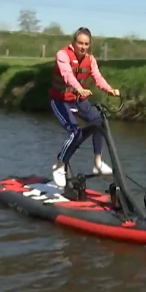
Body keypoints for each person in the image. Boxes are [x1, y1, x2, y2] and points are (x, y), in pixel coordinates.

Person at [48, 27, 120, 188]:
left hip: (78, 100)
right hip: (60, 100)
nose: (83, 47)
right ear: (73, 43)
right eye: (80, 43)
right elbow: (67, 75)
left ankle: (98, 162)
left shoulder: (90, 59)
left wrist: (109, 89)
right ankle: (59, 166)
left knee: (99, 121)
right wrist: (79, 88)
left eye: (86, 44)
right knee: (75, 132)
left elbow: (97, 77)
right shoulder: (63, 55)